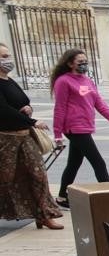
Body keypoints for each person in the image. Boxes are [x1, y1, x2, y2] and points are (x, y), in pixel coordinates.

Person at [51, 48, 109, 208]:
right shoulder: (64, 81)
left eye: (85, 62)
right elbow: (59, 108)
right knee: (98, 163)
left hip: (86, 127)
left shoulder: (88, 81)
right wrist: (57, 134)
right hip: (74, 128)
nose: (84, 65)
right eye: (80, 62)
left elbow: (100, 105)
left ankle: (61, 197)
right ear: (70, 63)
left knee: (74, 163)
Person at [0, 43, 62, 229]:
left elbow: (23, 102)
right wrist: (33, 121)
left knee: (38, 174)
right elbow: (3, 110)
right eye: (3, 56)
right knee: (6, 178)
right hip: (5, 139)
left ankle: (43, 214)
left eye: (7, 55)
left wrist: (29, 110)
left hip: (24, 135)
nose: (7, 59)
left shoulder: (9, 80)